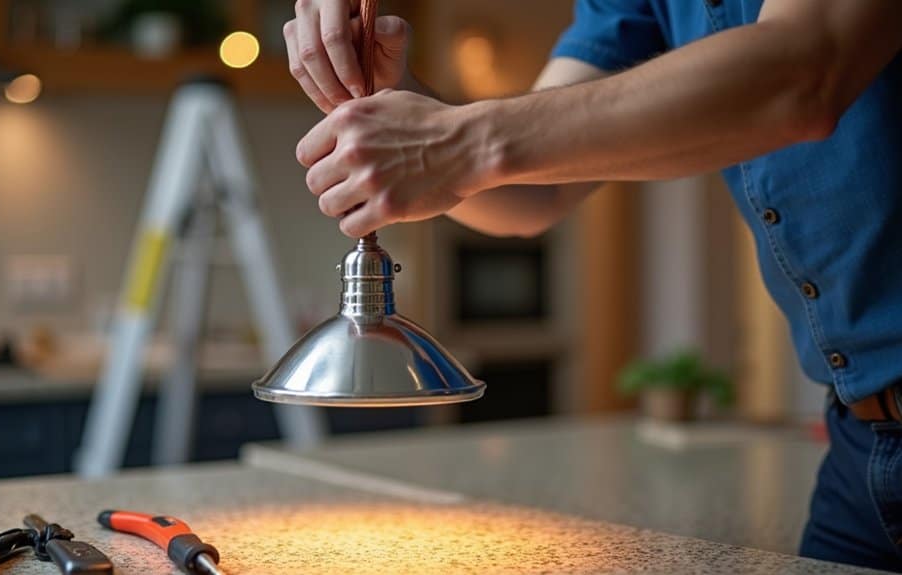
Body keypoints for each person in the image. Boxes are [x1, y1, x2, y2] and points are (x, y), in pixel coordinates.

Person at [284, 0, 902, 570]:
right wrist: (401, 102)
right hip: (860, 445)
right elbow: (535, 190)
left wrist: (455, 141)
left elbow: (804, 71)